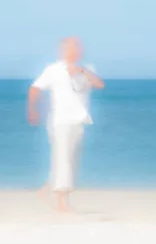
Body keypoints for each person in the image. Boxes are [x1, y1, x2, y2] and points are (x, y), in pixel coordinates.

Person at [27, 37, 105, 212]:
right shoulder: (53, 69)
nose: (76, 50)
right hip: (60, 121)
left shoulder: (87, 69)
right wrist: (32, 110)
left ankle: (45, 190)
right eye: (71, 47)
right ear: (63, 50)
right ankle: (62, 203)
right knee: (63, 160)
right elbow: (35, 88)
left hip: (79, 120)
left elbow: (100, 85)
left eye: (78, 47)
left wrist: (82, 71)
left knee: (71, 161)